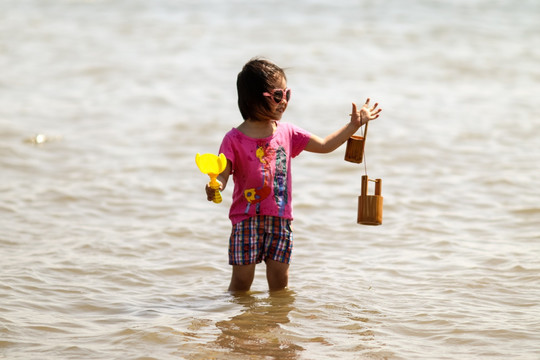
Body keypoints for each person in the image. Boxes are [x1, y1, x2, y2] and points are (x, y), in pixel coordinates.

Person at [205, 58, 381, 292]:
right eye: (278, 96)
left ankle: (276, 324)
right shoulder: (233, 139)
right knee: (241, 281)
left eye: (287, 94)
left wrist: (353, 126)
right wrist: (215, 185)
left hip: (280, 218)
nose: (284, 101)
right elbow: (223, 175)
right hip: (246, 219)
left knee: (280, 281)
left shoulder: (288, 132)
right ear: (254, 98)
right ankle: (238, 325)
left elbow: (326, 145)